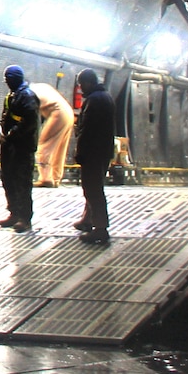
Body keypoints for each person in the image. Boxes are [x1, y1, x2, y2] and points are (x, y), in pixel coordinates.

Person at [0, 66, 40, 231]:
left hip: (22, 148)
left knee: (22, 183)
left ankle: (25, 218)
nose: (6, 82)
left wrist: (12, 135)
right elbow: (6, 121)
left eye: (7, 79)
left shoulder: (27, 96)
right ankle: (14, 213)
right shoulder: (11, 97)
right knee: (9, 180)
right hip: (10, 147)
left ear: (13, 78)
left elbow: (29, 122)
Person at [73, 68, 116, 246]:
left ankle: (100, 229)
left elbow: (87, 130)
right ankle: (87, 220)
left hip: (93, 152)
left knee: (92, 190)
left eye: (82, 85)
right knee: (94, 187)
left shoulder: (94, 100)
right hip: (103, 151)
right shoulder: (105, 97)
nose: (81, 89)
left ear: (89, 83)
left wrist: (80, 152)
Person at [34, 80, 75, 187]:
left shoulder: (29, 93)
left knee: (44, 145)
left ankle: (45, 179)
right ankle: (55, 177)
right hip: (68, 113)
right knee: (59, 149)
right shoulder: (42, 86)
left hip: (58, 113)